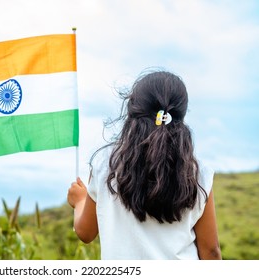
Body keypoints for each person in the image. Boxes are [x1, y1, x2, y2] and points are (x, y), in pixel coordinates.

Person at [67, 70, 222, 260]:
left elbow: (85, 232)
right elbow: (210, 251)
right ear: (181, 114)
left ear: (132, 109)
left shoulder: (106, 163)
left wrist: (80, 201)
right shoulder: (198, 173)